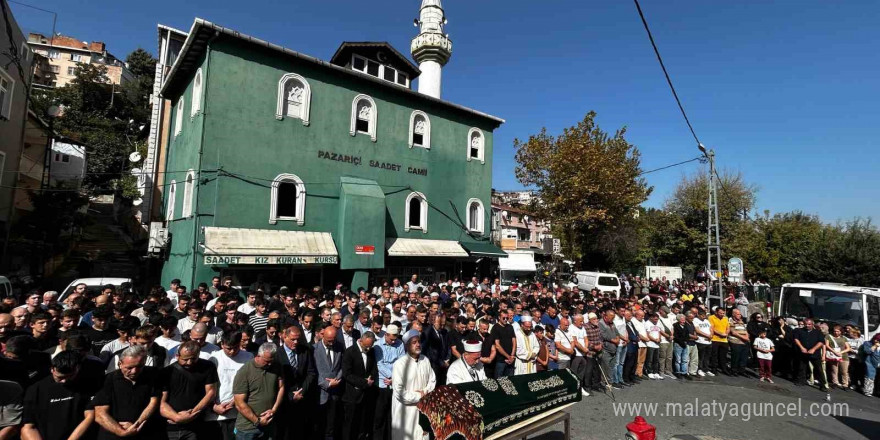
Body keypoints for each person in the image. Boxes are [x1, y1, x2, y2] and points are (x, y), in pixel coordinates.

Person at [21, 351, 100, 440]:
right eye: (59, 377)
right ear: (52, 369)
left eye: (69, 376)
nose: (64, 381)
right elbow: (28, 426)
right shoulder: (35, 390)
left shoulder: (87, 386)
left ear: (77, 368)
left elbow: (90, 416)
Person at [93, 345, 162, 440]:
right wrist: (122, 432)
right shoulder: (107, 380)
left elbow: (153, 402)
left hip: (145, 434)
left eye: (139, 366)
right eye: (129, 368)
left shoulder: (152, 374)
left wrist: (136, 424)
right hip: (113, 435)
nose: (134, 371)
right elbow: (100, 414)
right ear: (120, 364)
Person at [159, 340, 219, 439]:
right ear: (177, 356)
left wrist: (191, 414)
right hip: (171, 426)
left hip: (196, 425)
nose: (189, 362)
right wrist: (177, 417)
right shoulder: (167, 372)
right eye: (185, 359)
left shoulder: (207, 367)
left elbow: (211, 392)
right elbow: (161, 403)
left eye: (193, 358)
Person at [232, 342, 285, 440]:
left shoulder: (276, 366)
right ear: (258, 356)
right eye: (266, 361)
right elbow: (239, 404)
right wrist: (258, 421)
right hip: (247, 429)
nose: (269, 364)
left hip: (270, 424)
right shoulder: (244, 372)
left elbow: (281, 387)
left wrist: (274, 409)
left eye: (271, 361)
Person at [390, 330, 435, 440]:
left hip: (423, 409)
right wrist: (419, 396)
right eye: (414, 342)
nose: (418, 345)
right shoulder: (399, 364)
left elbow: (432, 381)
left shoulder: (425, 360)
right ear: (407, 346)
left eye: (419, 341)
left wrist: (426, 393)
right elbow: (399, 393)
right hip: (406, 411)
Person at [209, 331, 253, 440]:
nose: (232, 351)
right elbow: (209, 386)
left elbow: (250, 382)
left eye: (236, 347)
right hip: (218, 411)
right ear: (222, 345)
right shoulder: (214, 358)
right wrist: (214, 406)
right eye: (228, 348)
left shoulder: (248, 357)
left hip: (240, 411)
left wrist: (236, 401)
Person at [276, 326, 316, 440]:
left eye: (298, 339)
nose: (296, 342)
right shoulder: (277, 354)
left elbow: (311, 373)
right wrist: (290, 395)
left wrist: (302, 391)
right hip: (285, 401)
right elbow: (276, 380)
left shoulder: (304, 351)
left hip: (302, 398)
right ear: (285, 337)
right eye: (292, 339)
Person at [342, 332, 378, 440]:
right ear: (360, 340)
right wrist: (363, 382)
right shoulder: (350, 352)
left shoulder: (371, 351)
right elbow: (347, 374)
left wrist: (371, 378)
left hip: (366, 395)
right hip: (352, 396)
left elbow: (374, 368)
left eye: (370, 346)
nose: (368, 348)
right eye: (366, 346)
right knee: (350, 425)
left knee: (362, 425)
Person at [373, 325, 403, 440]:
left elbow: (401, 361)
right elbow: (379, 364)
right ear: (386, 335)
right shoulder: (377, 345)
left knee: (392, 415)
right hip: (382, 383)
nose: (394, 341)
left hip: (395, 383)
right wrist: (391, 377)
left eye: (395, 339)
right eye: (391, 339)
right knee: (380, 415)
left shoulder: (399, 344)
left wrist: (395, 379)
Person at [314, 324, 344, 440]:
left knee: (332, 424)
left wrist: (337, 379)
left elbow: (342, 366)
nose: (331, 343)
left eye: (333, 340)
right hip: (321, 393)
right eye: (328, 341)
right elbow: (314, 372)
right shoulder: (314, 349)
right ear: (323, 336)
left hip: (335, 393)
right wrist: (327, 384)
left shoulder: (339, 347)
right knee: (319, 425)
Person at [793, 318, 827, 391]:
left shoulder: (818, 332)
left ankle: (823, 385)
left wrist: (813, 349)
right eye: (806, 324)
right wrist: (801, 347)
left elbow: (821, 342)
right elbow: (796, 339)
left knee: (819, 369)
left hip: (814, 354)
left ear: (812, 324)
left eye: (809, 324)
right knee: (802, 367)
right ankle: (801, 381)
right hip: (803, 352)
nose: (807, 326)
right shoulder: (799, 331)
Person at [490, 309, 516, 378]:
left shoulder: (510, 327)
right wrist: (508, 357)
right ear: (499, 317)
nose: (505, 320)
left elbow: (514, 341)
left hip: (511, 359)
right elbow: (497, 345)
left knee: (510, 380)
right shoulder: (495, 328)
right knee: (499, 380)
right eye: (503, 318)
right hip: (500, 360)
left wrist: (512, 355)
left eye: (507, 318)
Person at [825, 325, 851, 390]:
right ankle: (835, 383)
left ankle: (845, 384)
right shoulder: (829, 336)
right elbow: (827, 345)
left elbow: (848, 348)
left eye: (838, 331)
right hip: (833, 355)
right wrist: (834, 352)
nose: (836, 333)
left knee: (844, 371)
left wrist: (840, 352)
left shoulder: (844, 338)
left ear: (841, 331)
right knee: (834, 370)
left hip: (843, 356)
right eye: (835, 331)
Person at [708, 307, 730, 376]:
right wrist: (720, 334)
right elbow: (712, 328)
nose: (722, 314)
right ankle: (714, 369)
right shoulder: (711, 317)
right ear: (716, 312)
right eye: (720, 313)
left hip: (724, 340)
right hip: (715, 339)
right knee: (714, 355)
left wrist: (726, 333)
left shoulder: (725, 318)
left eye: (723, 313)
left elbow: (728, 328)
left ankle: (724, 369)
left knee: (723, 356)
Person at [727, 309, 750, 376]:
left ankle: (742, 370)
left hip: (744, 342)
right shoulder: (730, 321)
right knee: (735, 357)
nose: (739, 315)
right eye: (738, 314)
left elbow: (745, 331)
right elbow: (734, 332)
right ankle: (734, 370)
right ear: (733, 314)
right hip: (735, 341)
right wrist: (744, 337)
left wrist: (747, 337)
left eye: (740, 314)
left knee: (744, 357)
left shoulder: (741, 321)